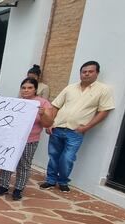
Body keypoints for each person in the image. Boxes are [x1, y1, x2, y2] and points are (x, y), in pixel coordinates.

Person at [40, 61, 115, 192]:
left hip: (76, 132)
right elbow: (56, 106)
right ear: (80, 73)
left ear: (97, 73)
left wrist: (86, 127)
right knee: (53, 156)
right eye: (84, 72)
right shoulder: (70, 88)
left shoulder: (103, 90)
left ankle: (63, 181)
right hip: (57, 128)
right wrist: (51, 123)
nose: (86, 74)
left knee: (67, 158)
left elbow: (104, 111)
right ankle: (50, 180)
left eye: (90, 71)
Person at [0, 78, 55, 200]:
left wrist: (43, 114)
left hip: (30, 140)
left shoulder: (43, 103)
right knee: (7, 162)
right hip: (12, 139)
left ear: (35, 89)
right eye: (24, 88)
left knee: (24, 165)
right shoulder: (16, 102)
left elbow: (48, 123)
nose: (26, 90)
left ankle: (18, 189)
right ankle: (3, 186)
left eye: (30, 88)